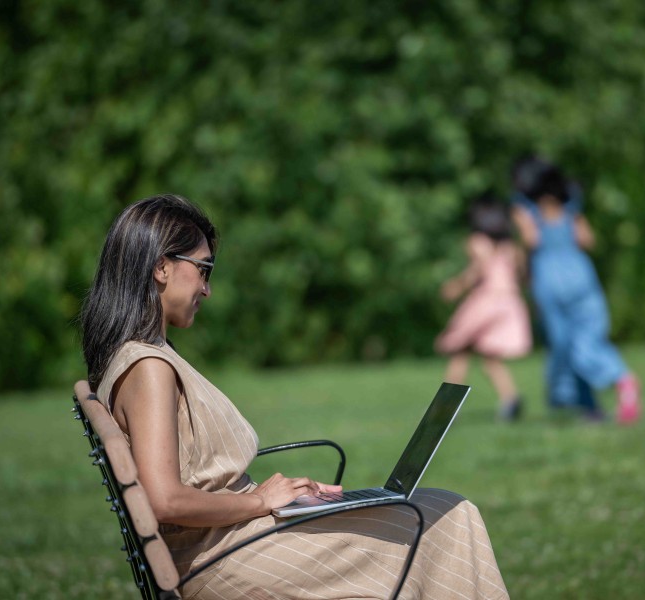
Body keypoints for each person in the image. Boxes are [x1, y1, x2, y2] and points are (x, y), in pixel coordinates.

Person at [80, 194, 509, 600]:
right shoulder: (148, 367)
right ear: (161, 267)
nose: (207, 289)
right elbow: (164, 499)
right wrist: (260, 501)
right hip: (229, 559)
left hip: (235, 541)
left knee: (436, 509)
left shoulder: (141, 356)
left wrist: (286, 501)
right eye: (203, 269)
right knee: (445, 517)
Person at [510, 158, 641, 424]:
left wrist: (522, 271)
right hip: (581, 277)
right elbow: (587, 240)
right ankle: (591, 407)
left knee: (564, 345)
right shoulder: (571, 207)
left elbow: (530, 240)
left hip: (549, 280)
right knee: (585, 341)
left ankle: (619, 378)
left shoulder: (524, 209)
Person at [435, 193, 532, 421]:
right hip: (509, 303)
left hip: (486, 301)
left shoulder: (477, 242)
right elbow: (523, 276)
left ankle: (445, 406)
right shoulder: (511, 247)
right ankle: (510, 398)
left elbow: (478, 270)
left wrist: (456, 287)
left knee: (460, 351)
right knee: (490, 355)